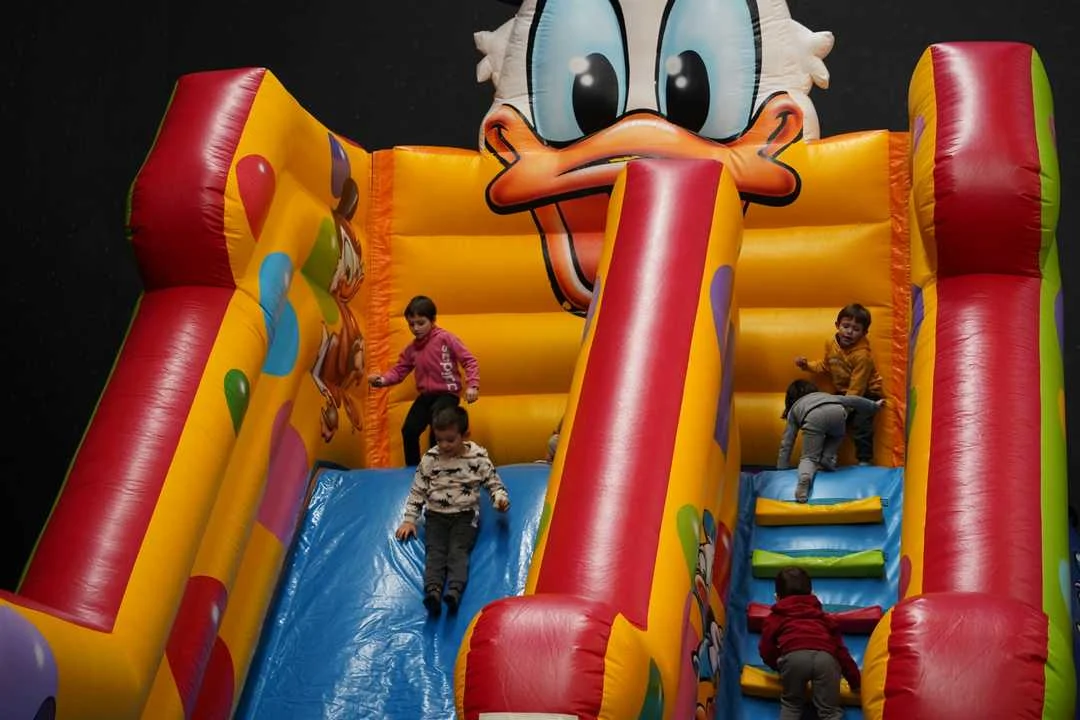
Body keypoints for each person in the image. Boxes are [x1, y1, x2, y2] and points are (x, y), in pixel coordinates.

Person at [394, 406, 510, 617]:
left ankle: (454, 591)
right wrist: (409, 519)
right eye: (439, 440)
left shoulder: (477, 457)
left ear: (465, 435)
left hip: (465, 516)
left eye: (450, 440)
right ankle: (433, 592)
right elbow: (418, 489)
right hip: (435, 516)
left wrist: (500, 499)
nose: (444, 445)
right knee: (435, 553)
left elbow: (493, 483)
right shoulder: (431, 458)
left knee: (458, 551)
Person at [369, 295, 480, 466]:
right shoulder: (412, 349)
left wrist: (473, 385)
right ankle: (413, 469)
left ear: (433, 320)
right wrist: (382, 380)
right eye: (411, 324)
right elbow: (399, 370)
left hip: (447, 394)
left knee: (438, 425)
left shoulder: (445, 339)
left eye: (421, 323)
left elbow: (469, 361)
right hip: (427, 395)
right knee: (409, 430)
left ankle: (440, 466)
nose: (416, 328)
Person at [759, 566, 862, 720]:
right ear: (813, 594)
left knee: (792, 705)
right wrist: (855, 681)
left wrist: (778, 665)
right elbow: (841, 651)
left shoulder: (775, 618)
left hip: (794, 659)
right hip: (826, 660)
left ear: (777, 598)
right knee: (830, 711)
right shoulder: (824, 618)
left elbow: (766, 648)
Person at [795, 303, 883, 465]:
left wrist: (845, 409)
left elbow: (858, 386)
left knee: (861, 424)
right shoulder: (831, 343)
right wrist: (806, 366)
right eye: (846, 326)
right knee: (830, 418)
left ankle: (865, 460)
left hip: (867, 393)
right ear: (837, 325)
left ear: (864, 333)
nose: (849, 332)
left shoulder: (862, 356)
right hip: (844, 392)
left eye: (856, 329)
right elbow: (825, 365)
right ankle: (825, 457)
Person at [778, 380, 883, 503]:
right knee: (836, 436)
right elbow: (853, 400)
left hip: (814, 416)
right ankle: (827, 458)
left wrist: (782, 469)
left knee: (809, 458)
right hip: (837, 413)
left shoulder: (795, 408)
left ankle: (805, 478)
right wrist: (874, 406)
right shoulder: (827, 396)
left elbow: (787, 442)